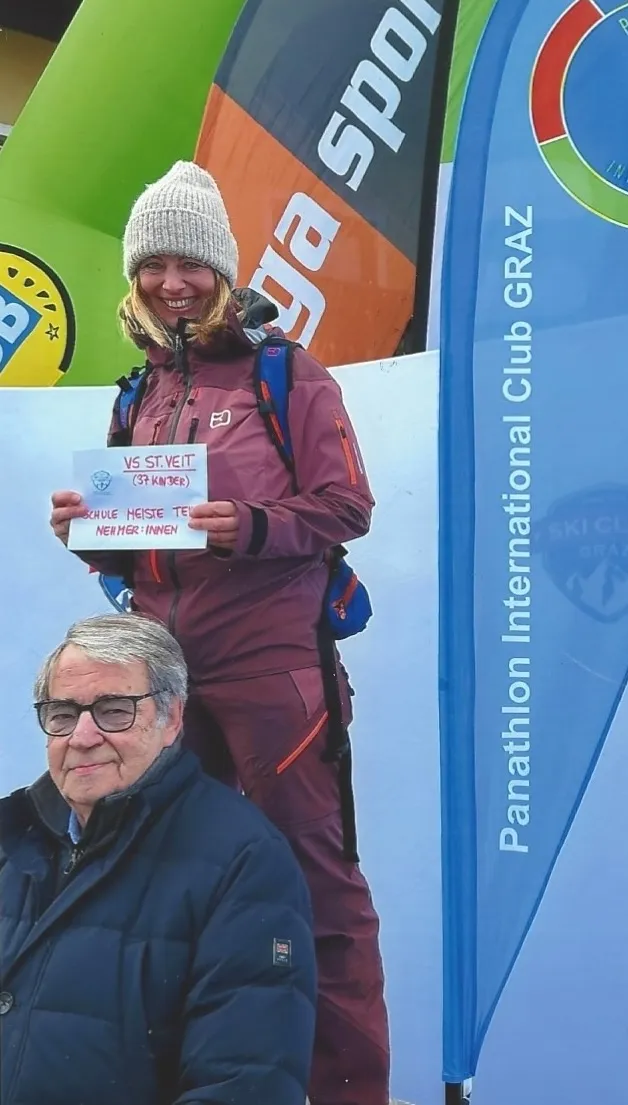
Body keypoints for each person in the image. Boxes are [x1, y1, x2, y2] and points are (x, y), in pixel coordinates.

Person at [50, 160, 390, 1105]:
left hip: (273, 675)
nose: (171, 280)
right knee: (166, 888)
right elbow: (144, 557)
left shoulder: (288, 373)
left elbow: (347, 507)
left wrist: (253, 525)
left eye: (191, 262)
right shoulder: (139, 393)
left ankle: (352, 1090)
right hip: (161, 687)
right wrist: (93, 537)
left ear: (223, 271)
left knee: (316, 894)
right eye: (153, 261)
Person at [0, 613, 316, 1105]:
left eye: (114, 710)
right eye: (62, 713)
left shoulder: (244, 862)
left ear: (171, 720)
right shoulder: (9, 836)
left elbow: (246, 1085)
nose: (82, 737)